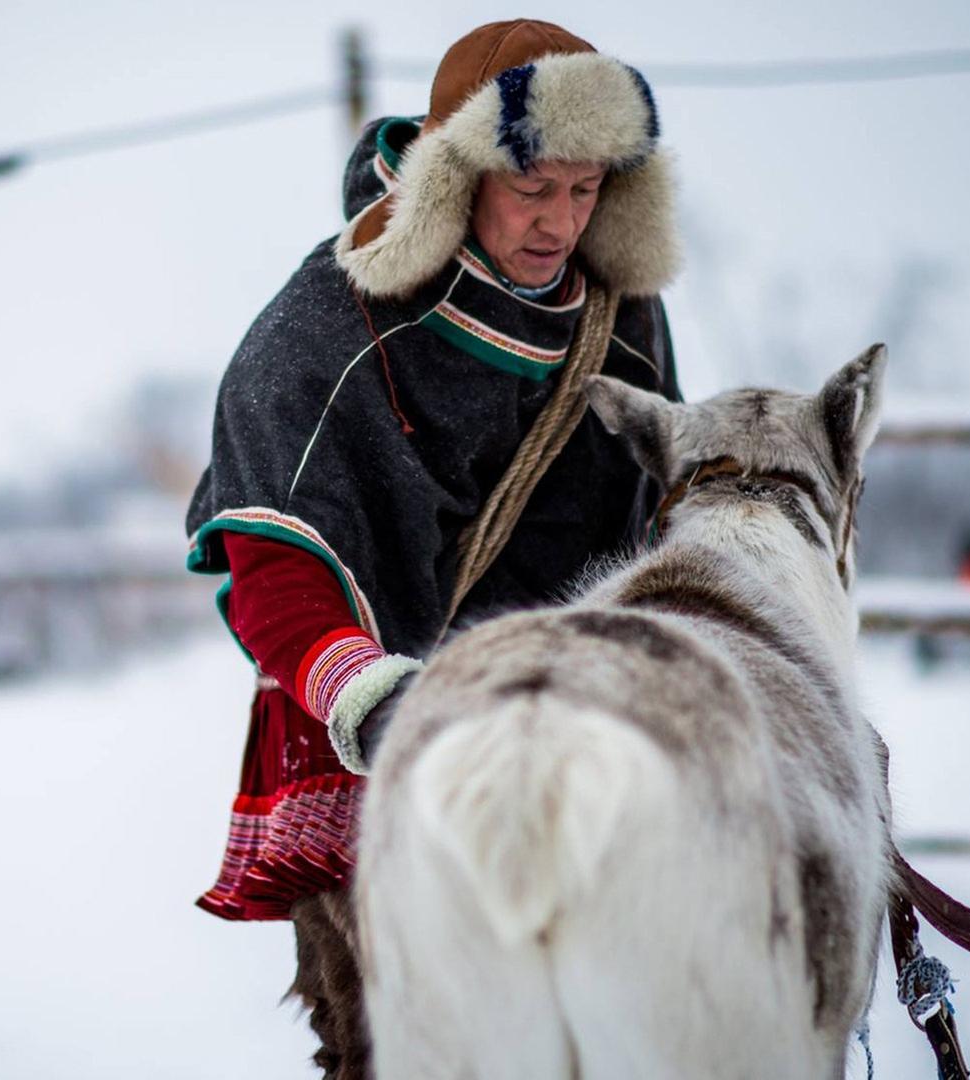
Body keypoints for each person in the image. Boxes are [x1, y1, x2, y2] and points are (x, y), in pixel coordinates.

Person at [184, 19, 684, 1077]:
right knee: (393, 1042)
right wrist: (378, 701)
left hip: (573, 727)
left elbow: (658, 512)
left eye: (586, 189)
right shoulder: (325, 325)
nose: (561, 221)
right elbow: (273, 562)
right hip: (379, 735)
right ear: (458, 175)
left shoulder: (623, 316)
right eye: (533, 187)